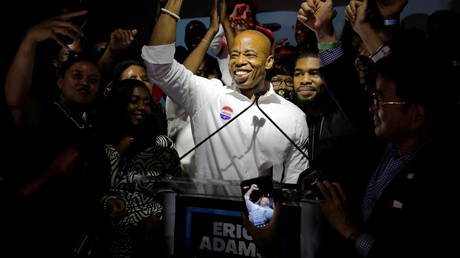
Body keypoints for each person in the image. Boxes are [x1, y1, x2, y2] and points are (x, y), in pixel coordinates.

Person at [298, 0, 459, 257]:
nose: (372, 107)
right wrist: (324, 33)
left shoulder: (438, 177)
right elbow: (348, 88)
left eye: (380, 99)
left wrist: (350, 230)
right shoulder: (380, 143)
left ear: (417, 115)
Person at [142, 0, 309, 184]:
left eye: (250, 55)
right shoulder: (208, 95)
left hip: (259, 213)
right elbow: (158, 65)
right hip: (205, 210)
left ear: (269, 62)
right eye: (235, 55)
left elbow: (295, 183)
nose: (239, 61)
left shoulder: (293, 117)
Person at [95, 79, 181, 258]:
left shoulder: (161, 143)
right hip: (110, 231)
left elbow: (175, 186)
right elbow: (94, 189)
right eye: (134, 101)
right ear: (119, 103)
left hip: (155, 227)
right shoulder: (100, 141)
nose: (141, 107)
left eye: (146, 102)